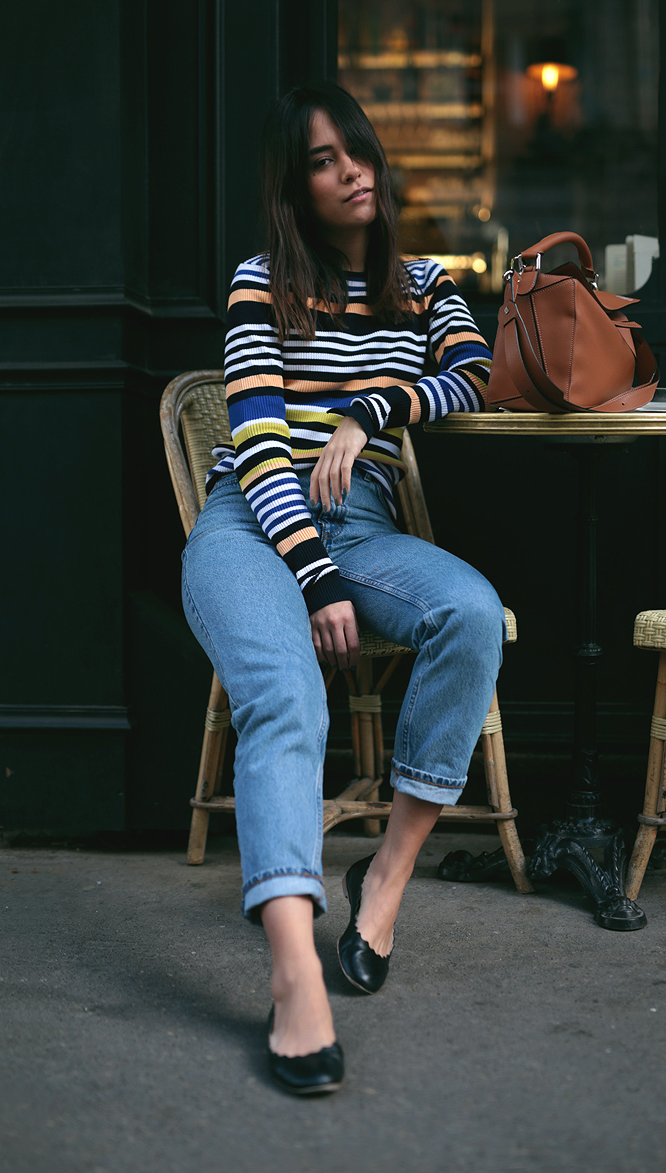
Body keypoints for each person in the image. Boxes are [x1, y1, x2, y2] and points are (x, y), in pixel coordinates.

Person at [181, 81, 506, 1095]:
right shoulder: (257, 282)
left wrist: (369, 410)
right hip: (251, 523)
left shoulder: (425, 285)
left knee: (468, 612)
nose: (349, 169)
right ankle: (292, 980)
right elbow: (262, 439)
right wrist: (313, 575)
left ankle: (388, 871)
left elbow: (472, 375)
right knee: (286, 694)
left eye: (354, 150)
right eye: (321, 160)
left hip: (361, 519)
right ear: (296, 184)